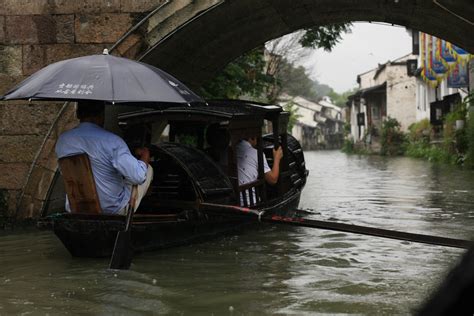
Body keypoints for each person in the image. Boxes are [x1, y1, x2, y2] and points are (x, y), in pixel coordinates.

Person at [55, 101, 153, 215]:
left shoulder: (62, 140)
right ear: (102, 116)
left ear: (77, 114)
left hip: (75, 208)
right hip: (111, 210)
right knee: (146, 170)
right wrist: (145, 157)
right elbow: (138, 177)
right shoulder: (113, 141)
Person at [236, 136, 283, 205]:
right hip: (250, 203)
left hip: (232, 200)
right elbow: (273, 180)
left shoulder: (230, 151)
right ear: (252, 137)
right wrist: (277, 158)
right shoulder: (256, 154)